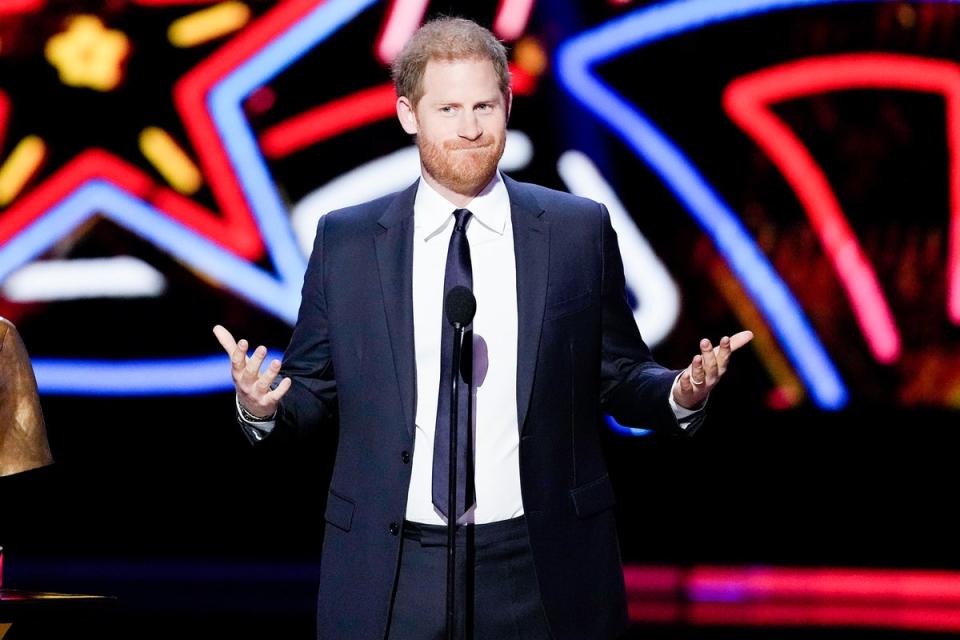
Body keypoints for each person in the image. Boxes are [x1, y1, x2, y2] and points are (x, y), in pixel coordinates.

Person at [214, 17, 752, 640]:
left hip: (538, 561)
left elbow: (619, 374)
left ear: (508, 105)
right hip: (393, 566)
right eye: (448, 108)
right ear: (408, 114)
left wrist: (679, 391)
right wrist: (261, 405)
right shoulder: (349, 240)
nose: (470, 128)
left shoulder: (575, 230)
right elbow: (310, 390)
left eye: (483, 106)